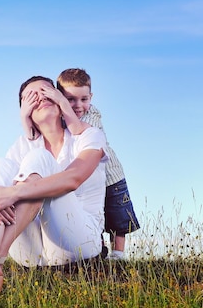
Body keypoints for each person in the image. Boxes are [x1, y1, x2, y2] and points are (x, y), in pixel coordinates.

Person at [0, 76, 108, 295]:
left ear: (60, 99)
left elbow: (74, 178)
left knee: (38, 159)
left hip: (79, 242)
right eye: (30, 96)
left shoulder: (88, 136)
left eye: (46, 91)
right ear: (25, 110)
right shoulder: (21, 145)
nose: (40, 97)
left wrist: (12, 193)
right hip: (32, 253)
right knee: (1, 165)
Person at [57, 68, 140, 260]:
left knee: (117, 215)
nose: (78, 105)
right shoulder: (60, 118)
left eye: (84, 99)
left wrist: (63, 105)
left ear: (91, 97)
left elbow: (78, 130)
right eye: (70, 99)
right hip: (87, 180)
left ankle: (118, 253)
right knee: (92, 213)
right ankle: (98, 249)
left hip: (111, 176)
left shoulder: (92, 114)